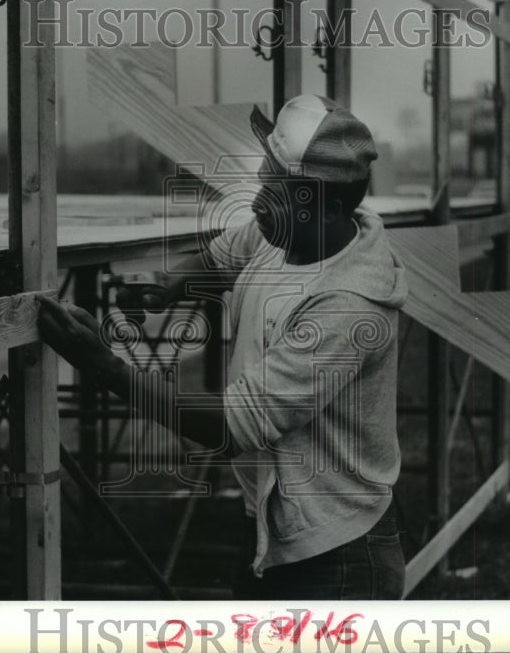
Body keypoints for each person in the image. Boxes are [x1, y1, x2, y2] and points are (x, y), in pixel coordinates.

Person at [38, 94, 409, 599]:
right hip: (282, 529)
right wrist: (166, 285)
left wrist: (102, 367)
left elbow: (233, 426)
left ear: (323, 207)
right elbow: (221, 257)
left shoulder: (346, 306)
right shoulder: (283, 234)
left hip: (336, 555)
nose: (256, 201)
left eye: (272, 190)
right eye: (261, 179)